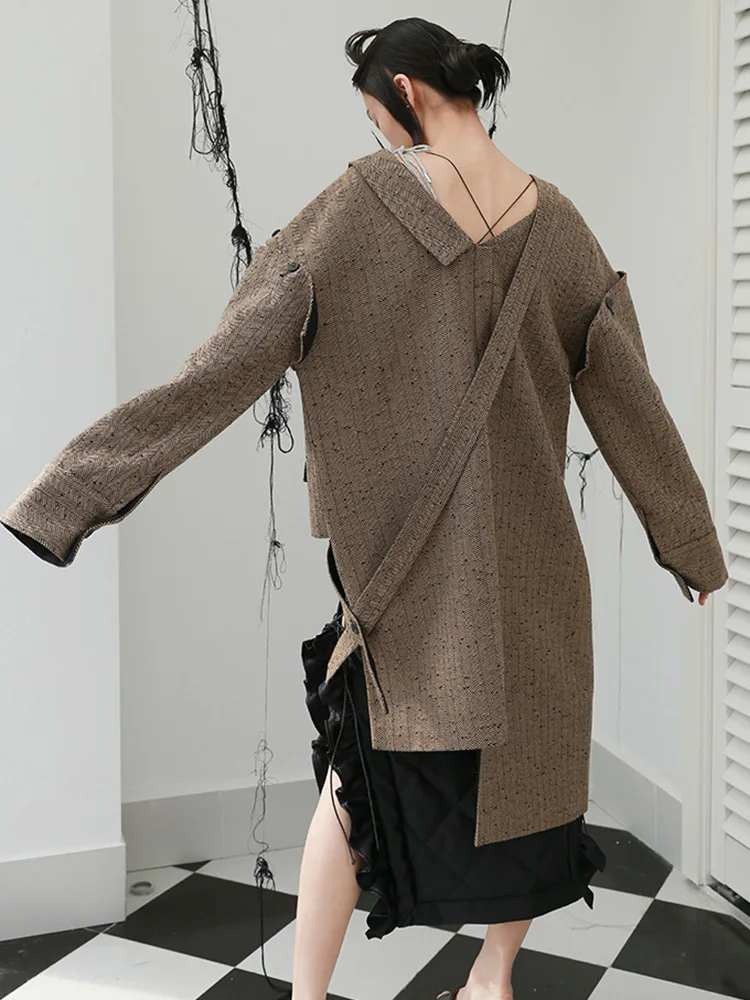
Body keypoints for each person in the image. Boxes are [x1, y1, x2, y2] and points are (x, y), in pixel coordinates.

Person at [1, 17, 728, 1000]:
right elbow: (629, 393)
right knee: (533, 787)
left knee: (356, 795)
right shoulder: (558, 225)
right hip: (535, 575)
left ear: (409, 94)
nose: (379, 136)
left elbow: (222, 368)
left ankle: (315, 996)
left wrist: (66, 493)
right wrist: (689, 546)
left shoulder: (355, 208)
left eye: (376, 115)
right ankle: (493, 976)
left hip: (405, 582)